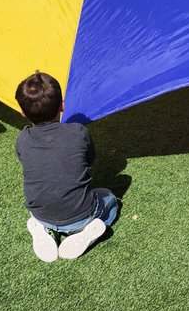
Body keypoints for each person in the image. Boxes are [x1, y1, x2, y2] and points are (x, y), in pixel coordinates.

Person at [15, 71, 118, 262]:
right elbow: (89, 161)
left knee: (44, 213)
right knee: (109, 198)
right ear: (62, 105)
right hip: (82, 215)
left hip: (40, 213)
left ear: (22, 113)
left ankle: (41, 229)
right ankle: (85, 232)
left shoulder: (22, 140)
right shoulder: (78, 132)